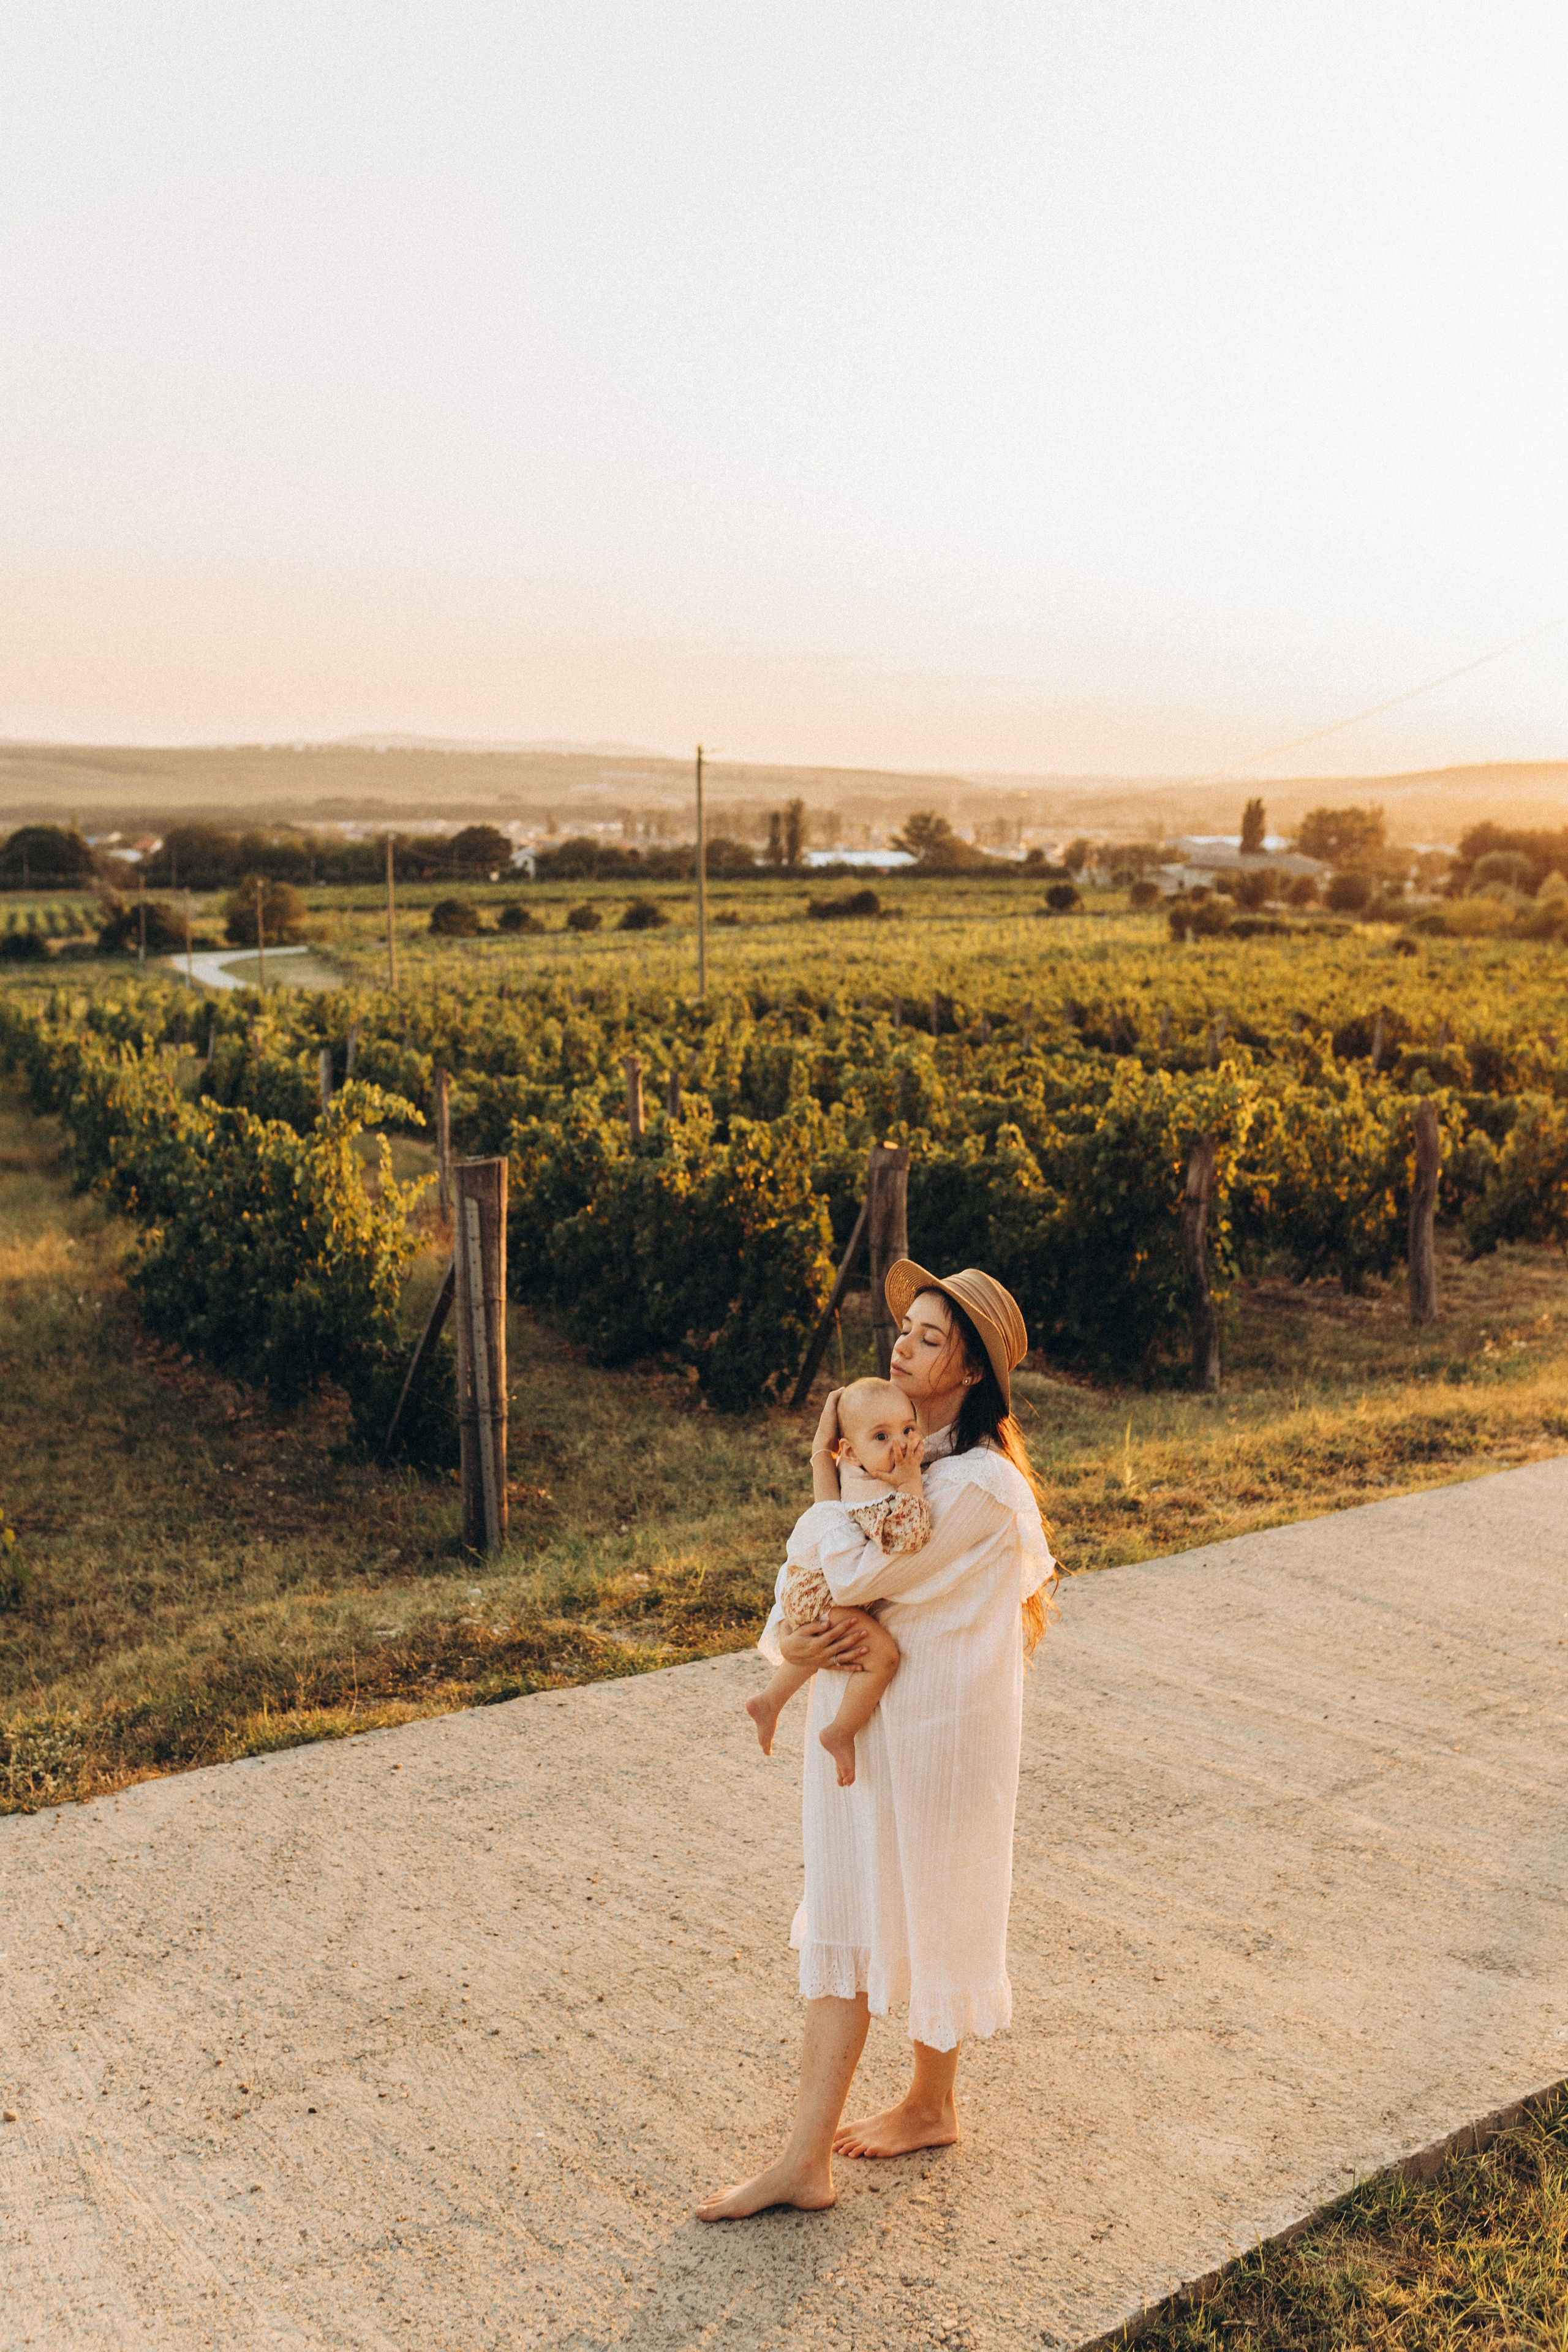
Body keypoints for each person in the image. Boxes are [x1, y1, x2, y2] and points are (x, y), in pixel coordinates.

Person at [697, 1264, 1056, 2222]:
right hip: (871, 1714)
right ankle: (808, 2157)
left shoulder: (979, 1486)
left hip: (938, 1728)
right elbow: (806, 1580)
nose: (901, 1344)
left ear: (974, 1370)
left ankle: (930, 2103)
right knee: (848, 1908)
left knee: (940, 1901)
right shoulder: (893, 1460)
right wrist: (815, 1596)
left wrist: (825, 1486)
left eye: (931, 1337)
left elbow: (845, 1580)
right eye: (905, 1326)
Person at [745, 1375, 932, 1787]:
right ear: (849, 1452)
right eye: (881, 1436)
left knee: (823, 1641)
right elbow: (908, 1538)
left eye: (908, 1428)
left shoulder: (860, 1471)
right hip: (820, 1592)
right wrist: (910, 1483)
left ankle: (769, 1701)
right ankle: (840, 1731)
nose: (900, 1446)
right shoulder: (871, 1491)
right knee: (882, 1656)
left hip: (807, 1588)